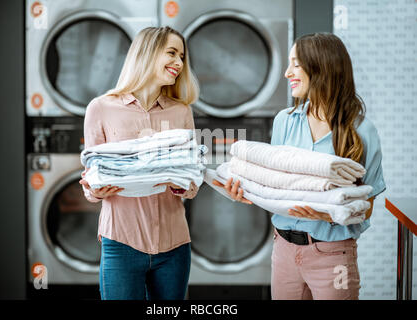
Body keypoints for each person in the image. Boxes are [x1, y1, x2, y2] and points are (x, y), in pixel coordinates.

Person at [213, 33, 386, 300]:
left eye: (295, 63)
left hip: (332, 254)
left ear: (320, 67)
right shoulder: (285, 120)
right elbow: (276, 183)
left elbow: (366, 206)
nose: (286, 73)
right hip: (283, 249)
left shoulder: (362, 131)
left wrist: (329, 214)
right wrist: (244, 191)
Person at [79, 26, 200, 300]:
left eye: (182, 56)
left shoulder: (181, 111)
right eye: (171, 53)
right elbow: (92, 176)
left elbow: (193, 180)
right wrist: (95, 190)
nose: (179, 63)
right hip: (122, 243)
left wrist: (182, 185)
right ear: (147, 53)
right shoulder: (101, 108)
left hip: (174, 246)